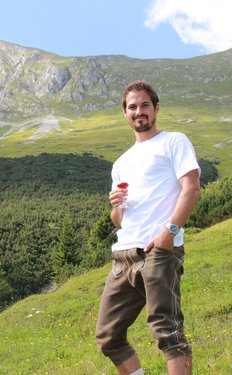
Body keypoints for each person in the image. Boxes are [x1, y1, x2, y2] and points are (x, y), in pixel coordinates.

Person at [95, 81, 201, 375]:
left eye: (144, 105)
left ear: (156, 108)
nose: (138, 111)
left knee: (167, 331)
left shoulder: (174, 141)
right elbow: (119, 220)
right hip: (123, 255)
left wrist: (169, 233)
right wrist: (116, 204)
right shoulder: (121, 163)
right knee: (108, 336)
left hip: (158, 249)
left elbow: (191, 189)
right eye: (132, 107)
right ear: (124, 113)